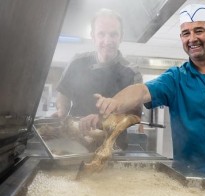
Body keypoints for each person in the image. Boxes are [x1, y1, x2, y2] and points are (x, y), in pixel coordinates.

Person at [90, 4, 205, 193]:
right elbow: (142, 91)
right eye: (186, 33)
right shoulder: (175, 78)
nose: (192, 39)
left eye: (199, 31)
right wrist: (116, 102)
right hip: (193, 178)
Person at [54, 8, 143, 150]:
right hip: (75, 144)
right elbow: (63, 93)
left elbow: (135, 116)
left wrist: (103, 121)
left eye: (113, 34)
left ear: (121, 37)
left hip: (113, 148)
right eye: (101, 34)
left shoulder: (132, 73)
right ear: (93, 36)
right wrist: (62, 110)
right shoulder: (77, 62)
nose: (107, 41)